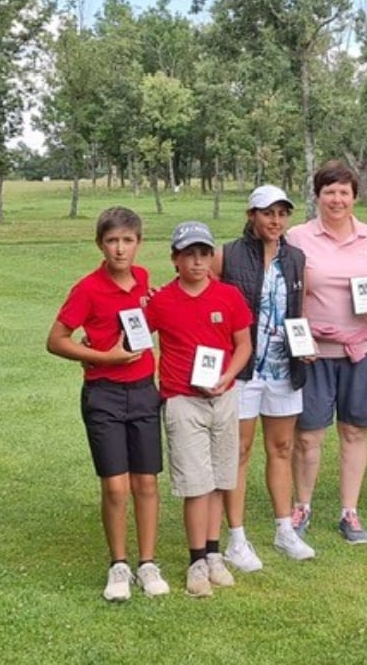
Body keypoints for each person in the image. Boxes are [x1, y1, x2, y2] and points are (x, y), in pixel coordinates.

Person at [46, 206, 170, 602]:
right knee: (116, 487)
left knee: (147, 482)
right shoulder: (87, 289)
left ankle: (147, 562)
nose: (120, 249)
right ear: (100, 244)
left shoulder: (144, 280)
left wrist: (152, 308)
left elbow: (142, 328)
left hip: (143, 390)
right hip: (104, 395)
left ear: (139, 243)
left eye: (127, 241)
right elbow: (57, 339)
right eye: (112, 241)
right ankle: (119, 564)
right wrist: (103, 358)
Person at [145, 221, 253, 597]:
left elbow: (243, 345)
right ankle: (196, 562)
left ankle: (213, 553)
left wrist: (227, 377)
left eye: (204, 254)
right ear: (175, 259)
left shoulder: (228, 296)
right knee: (196, 484)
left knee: (222, 480)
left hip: (222, 397)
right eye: (188, 254)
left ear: (212, 258)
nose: (197, 261)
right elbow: (138, 335)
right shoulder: (162, 301)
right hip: (182, 399)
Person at [286, 161, 367, 544]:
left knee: (354, 430)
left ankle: (350, 511)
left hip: (364, 349)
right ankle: (302, 506)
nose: (336, 199)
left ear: (354, 196)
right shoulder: (297, 237)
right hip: (315, 352)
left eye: (343, 192)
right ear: (317, 197)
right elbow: (286, 293)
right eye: (328, 191)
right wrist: (298, 339)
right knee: (308, 434)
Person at [214, 185, 315, 570]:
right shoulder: (228, 254)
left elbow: (298, 310)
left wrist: (303, 344)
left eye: (282, 214)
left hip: (283, 368)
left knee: (283, 448)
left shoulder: (296, 258)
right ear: (251, 215)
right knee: (239, 451)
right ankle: (236, 539)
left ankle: (283, 529)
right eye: (267, 213)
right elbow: (201, 292)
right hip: (242, 368)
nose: (275, 221)